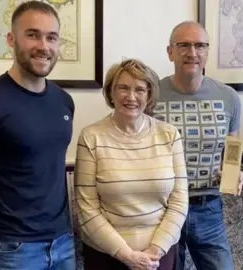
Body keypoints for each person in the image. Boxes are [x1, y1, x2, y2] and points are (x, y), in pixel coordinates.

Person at [0, 2, 75, 269]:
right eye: (32, 34)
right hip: (8, 250)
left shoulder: (63, 101)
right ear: (11, 39)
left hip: (63, 242)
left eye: (51, 37)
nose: (44, 45)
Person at [74, 59, 189, 270]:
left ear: (150, 94)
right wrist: (128, 256)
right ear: (111, 92)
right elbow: (86, 208)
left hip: (158, 257)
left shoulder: (169, 134)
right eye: (123, 88)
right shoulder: (91, 136)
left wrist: (155, 251)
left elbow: (179, 201)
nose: (131, 97)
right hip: (107, 255)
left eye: (140, 90)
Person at [153, 21, 242, 270]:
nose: (192, 53)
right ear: (170, 51)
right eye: (184, 45)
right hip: (162, 209)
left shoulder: (228, 97)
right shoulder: (150, 95)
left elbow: (232, 154)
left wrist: (233, 175)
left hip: (208, 208)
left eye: (200, 46)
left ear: (207, 51)